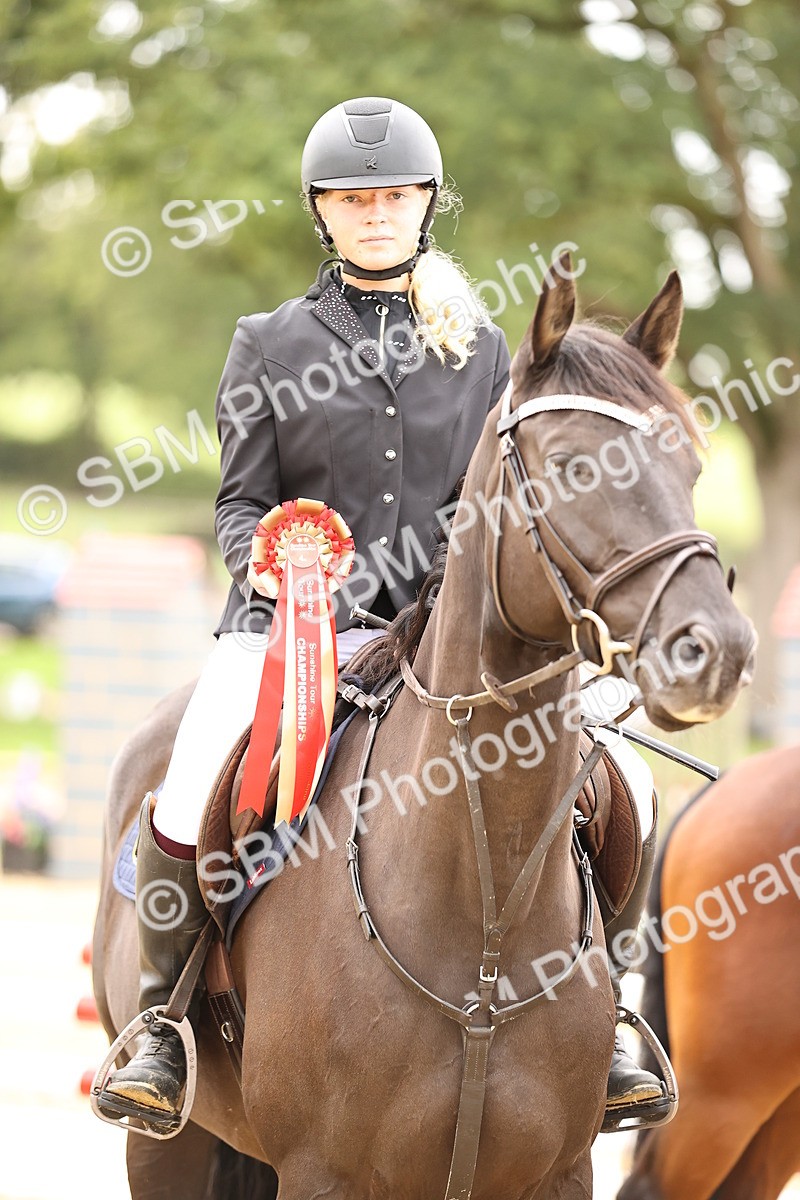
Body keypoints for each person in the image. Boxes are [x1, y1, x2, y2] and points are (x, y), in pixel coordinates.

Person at [98, 96, 663, 1135]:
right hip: (292, 632)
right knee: (186, 785)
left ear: (424, 205)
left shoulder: (483, 346)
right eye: (352, 198)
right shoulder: (267, 343)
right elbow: (239, 501)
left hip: (449, 642)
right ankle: (163, 1028)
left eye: (392, 196)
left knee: (622, 776)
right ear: (322, 212)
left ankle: (613, 1013)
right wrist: (267, 571)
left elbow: (490, 509)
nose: (374, 214)